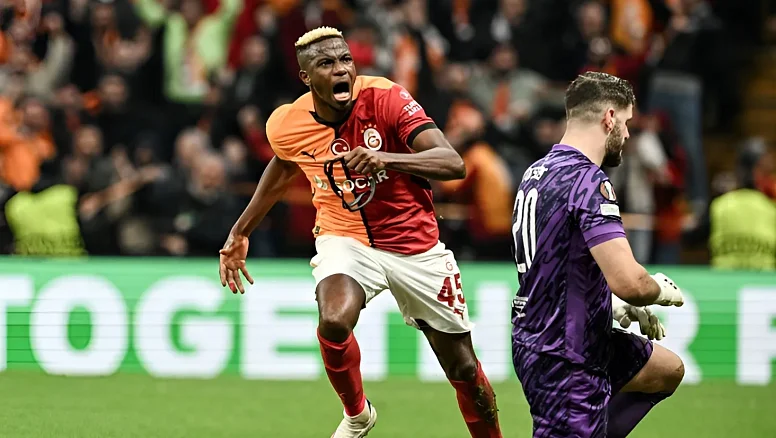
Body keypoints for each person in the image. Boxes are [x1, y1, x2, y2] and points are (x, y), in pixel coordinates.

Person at [218, 27, 502, 438]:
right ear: (306, 77)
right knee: (334, 319)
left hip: (414, 244)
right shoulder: (286, 122)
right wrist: (240, 231)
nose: (341, 70)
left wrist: (387, 157)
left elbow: (451, 162)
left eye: (345, 60)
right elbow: (283, 164)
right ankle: (357, 414)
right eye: (326, 63)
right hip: (345, 237)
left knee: (462, 367)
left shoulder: (386, 97)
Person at [510, 71, 686, 438]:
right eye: (626, 123)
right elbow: (631, 282)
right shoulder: (588, 180)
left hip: (548, 335)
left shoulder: (536, 172)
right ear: (609, 118)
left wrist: (607, 302)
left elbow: (555, 259)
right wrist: (657, 289)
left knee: (666, 370)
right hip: (566, 353)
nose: (627, 134)